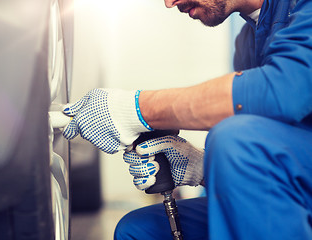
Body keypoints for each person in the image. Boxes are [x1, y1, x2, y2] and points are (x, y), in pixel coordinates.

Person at [62, 0, 312, 239]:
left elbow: (286, 89)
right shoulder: (248, 40)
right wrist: (199, 167)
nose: (168, 3)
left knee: (233, 139)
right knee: (138, 230)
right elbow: (270, 156)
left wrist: (136, 108)